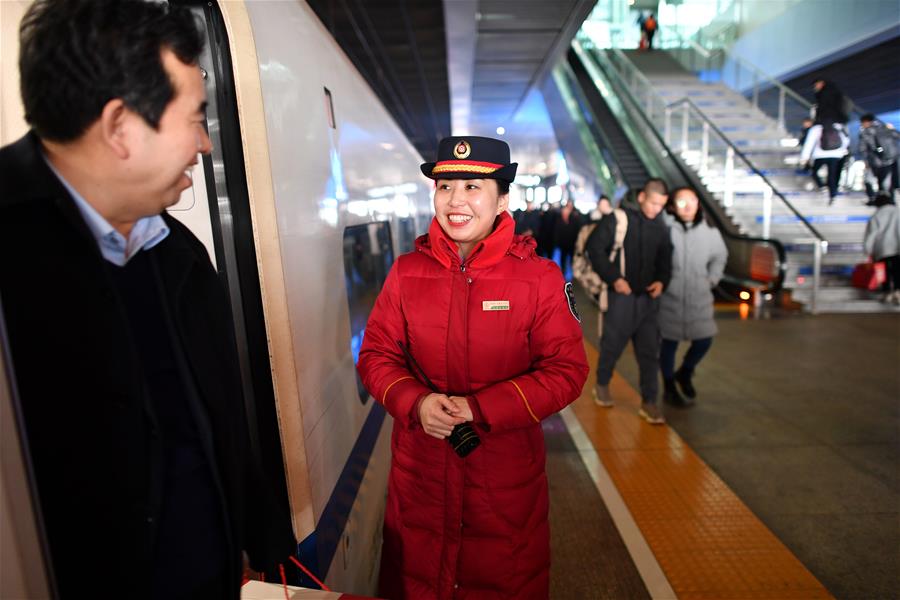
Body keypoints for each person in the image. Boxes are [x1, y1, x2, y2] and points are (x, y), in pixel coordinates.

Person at [0, 1, 296, 597]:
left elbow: (215, 412)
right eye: (195, 118)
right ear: (120, 127)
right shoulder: (12, 246)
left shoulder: (176, 251)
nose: (205, 145)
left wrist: (257, 538)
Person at [357, 136, 589, 599]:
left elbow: (566, 370)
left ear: (502, 200)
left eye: (472, 187)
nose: (455, 201)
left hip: (503, 484)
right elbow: (376, 355)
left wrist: (479, 409)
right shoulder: (406, 272)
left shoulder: (539, 278)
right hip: (420, 479)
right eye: (445, 187)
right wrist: (416, 403)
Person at [586, 178, 672, 424]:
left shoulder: (660, 226)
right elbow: (594, 248)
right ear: (642, 197)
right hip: (621, 297)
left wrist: (662, 281)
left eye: (661, 205)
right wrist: (614, 278)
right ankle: (602, 384)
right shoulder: (618, 218)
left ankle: (649, 401)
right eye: (653, 203)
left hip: (648, 299)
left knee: (649, 352)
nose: (656, 209)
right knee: (611, 345)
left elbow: (666, 258)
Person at [658, 188, 728, 406]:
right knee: (668, 343)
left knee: (704, 340)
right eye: (681, 201)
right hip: (670, 298)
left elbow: (720, 257)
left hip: (699, 298)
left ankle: (685, 371)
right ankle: (669, 386)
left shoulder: (710, 233)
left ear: (698, 203)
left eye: (692, 200)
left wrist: (712, 279)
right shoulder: (665, 230)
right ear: (672, 206)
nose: (687, 206)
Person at [800, 119, 850, 204]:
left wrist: (805, 157)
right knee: (832, 175)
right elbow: (846, 140)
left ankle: (822, 187)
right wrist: (842, 151)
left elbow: (809, 143)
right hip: (835, 155)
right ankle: (833, 195)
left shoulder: (816, 128)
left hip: (819, 155)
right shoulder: (837, 126)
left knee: (814, 172)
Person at [863, 193, 900, 304]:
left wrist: (868, 250)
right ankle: (898, 292)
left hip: (882, 249)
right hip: (897, 247)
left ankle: (886, 292)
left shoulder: (876, 215)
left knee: (884, 272)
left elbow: (871, 235)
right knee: (897, 270)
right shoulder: (898, 212)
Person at [858, 113, 898, 202]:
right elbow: (897, 136)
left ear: (866, 122)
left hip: (874, 161)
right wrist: (892, 129)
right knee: (887, 181)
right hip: (889, 159)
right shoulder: (885, 128)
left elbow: (862, 148)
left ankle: (874, 199)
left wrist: (865, 161)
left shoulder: (865, 132)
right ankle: (890, 200)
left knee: (869, 180)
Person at [554, 200, 583, 278]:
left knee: (572, 259)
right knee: (563, 258)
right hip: (563, 242)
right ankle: (563, 272)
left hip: (572, 242)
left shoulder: (575, 216)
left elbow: (577, 230)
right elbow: (557, 230)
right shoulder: (559, 218)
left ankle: (573, 273)